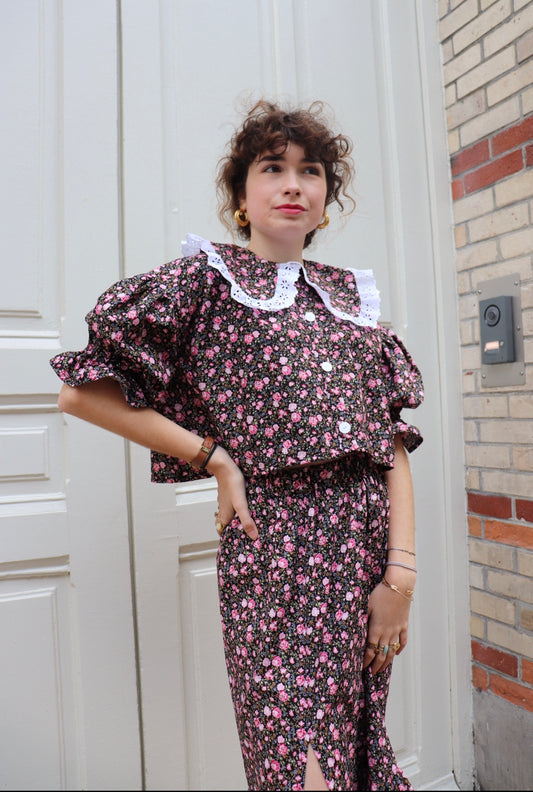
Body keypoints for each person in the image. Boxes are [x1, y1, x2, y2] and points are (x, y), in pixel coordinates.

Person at [50, 99, 423, 791]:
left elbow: (389, 443)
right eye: (272, 168)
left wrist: (399, 576)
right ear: (241, 198)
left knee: (354, 741)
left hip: (366, 549)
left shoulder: (352, 304)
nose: (293, 184)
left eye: (310, 172)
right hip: (273, 553)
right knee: (295, 758)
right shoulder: (206, 283)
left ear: (325, 201)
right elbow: (82, 394)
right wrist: (213, 457)